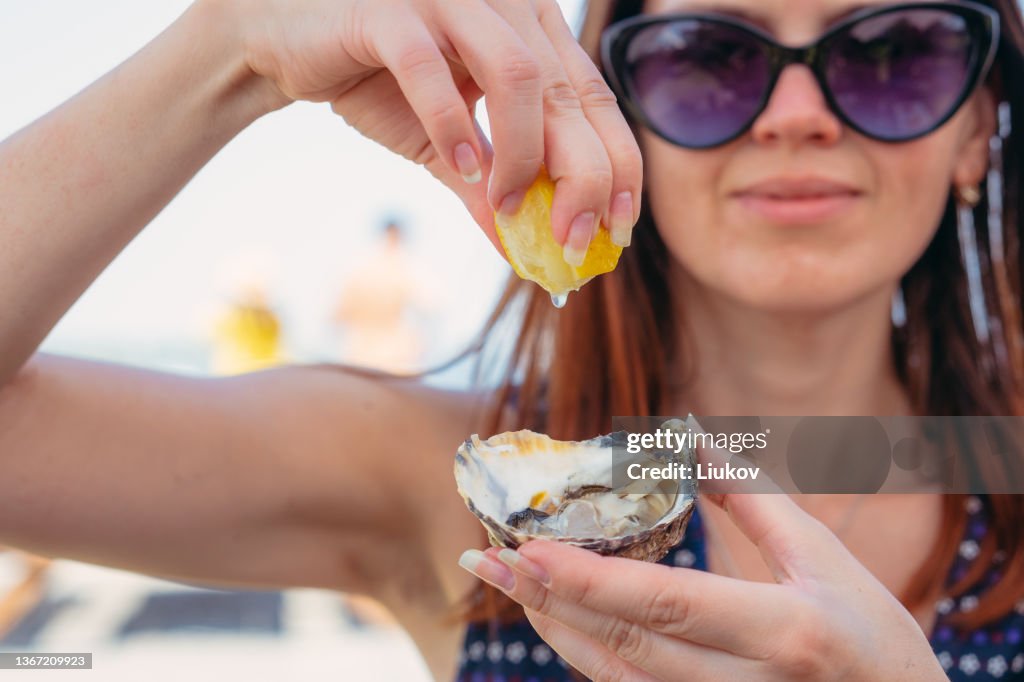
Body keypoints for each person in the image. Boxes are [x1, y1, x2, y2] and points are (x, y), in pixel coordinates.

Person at [0, 0, 1021, 680]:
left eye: (893, 53)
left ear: (977, 129)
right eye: (710, 57)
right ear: (619, 119)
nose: (796, 115)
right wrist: (227, 49)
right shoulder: (432, 474)